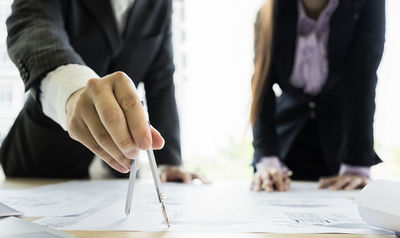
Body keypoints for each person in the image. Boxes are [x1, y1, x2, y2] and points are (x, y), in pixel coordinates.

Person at [0, 0, 204, 183]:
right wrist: (75, 89)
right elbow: (34, 27)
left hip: (117, 179)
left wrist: (169, 163)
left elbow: (161, 81)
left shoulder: (160, 4)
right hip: (41, 165)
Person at [250, 0, 385, 192]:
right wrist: (267, 158)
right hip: (283, 148)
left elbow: (362, 80)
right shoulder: (268, 12)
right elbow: (261, 88)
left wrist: (356, 165)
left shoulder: (367, 4)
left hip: (342, 146)